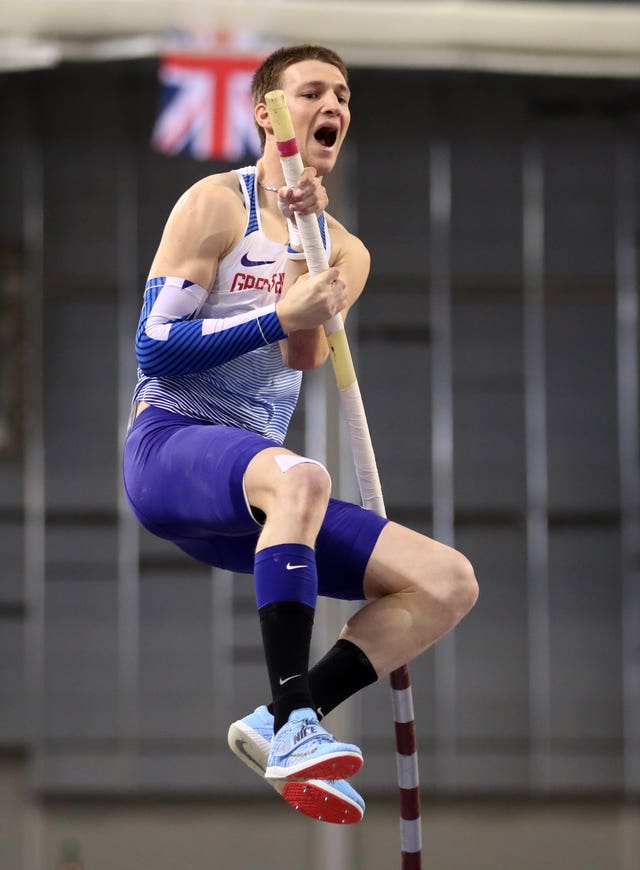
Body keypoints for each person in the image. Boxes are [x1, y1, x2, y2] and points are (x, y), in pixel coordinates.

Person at [123, 44, 478, 825]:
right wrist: (280, 307)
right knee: (305, 476)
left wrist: (298, 249)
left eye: (344, 95)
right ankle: (294, 720)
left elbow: (304, 353)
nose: (335, 106)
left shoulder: (343, 249)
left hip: (257, 495)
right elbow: (153, 347)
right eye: (313, 91)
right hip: (172, 445)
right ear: (268, 113)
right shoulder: (215, 203)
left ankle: (280, 717)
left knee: (448, 582)